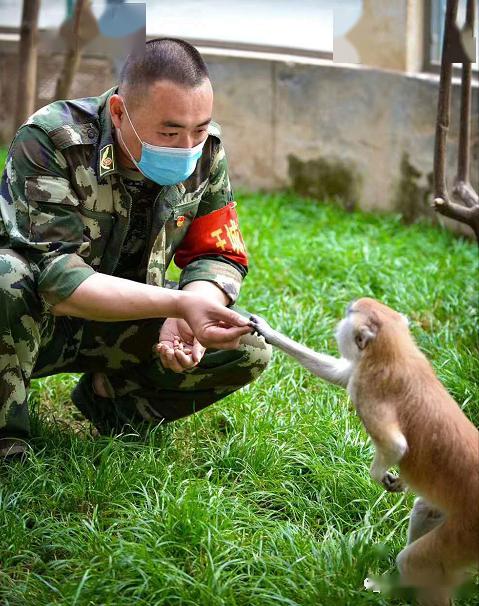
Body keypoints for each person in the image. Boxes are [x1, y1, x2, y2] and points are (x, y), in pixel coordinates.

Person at [0, 38, 271, 458]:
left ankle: (110, 404)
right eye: (169, 131)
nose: (187, 148)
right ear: (119, 112)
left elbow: (218, 252)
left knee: (248, 345)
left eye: (199, 128)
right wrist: (175, 305)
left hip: (129, 317)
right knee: (6, 277)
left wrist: (192, 308)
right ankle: (8, 440)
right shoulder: (51, 140)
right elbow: (55, 279)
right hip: (34, 324)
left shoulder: (206, 150)